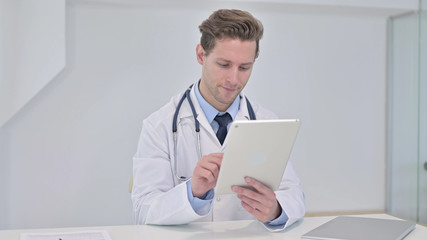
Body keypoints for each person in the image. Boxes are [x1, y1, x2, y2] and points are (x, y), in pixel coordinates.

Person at [131, 9, 305, 232]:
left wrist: (276, 210)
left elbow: (294, 194)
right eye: (224, 65)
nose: (234, 79)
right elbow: (142, 210)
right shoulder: (159, 126)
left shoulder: (266, 121)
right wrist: (192, 192)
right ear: (201, 55)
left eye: (244, 67)